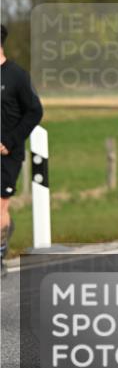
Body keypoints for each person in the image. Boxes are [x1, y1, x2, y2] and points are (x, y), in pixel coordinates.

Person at [0, 24, 44, 273]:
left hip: (8, 153)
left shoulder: (17, 75)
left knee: (0, 206)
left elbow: (35, 111)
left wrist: (10, 141)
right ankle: (6, 229)